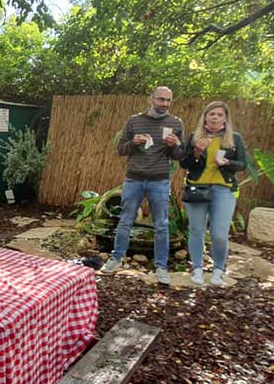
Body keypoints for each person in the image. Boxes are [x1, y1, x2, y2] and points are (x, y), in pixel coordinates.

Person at [97, 86, 184, 285]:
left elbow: (179, 156)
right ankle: (116, 258)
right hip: (134, 179)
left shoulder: (175, 123)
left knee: (161, 225)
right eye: (161, 99)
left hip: (160, 181)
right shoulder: (134, 121)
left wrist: (175, 145)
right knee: (125, 221)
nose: (164, 103)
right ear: (151, 99)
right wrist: (133, 143)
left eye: (168, 100)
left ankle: (161, 267)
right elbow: (121, 149)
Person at [179, 101, 248, 286]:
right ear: (205, 117)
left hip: (223, 189)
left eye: (219, 115)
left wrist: (227, 163)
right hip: (197, 188)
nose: (215, 117)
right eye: (212, 114)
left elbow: (243, 164)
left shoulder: (235, 139)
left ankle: (218, 269)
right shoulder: (195, 137)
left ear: (225, 119)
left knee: (219, 233)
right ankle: (197, 269)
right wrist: (196, 152)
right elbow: (184, 163)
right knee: (196, 230)